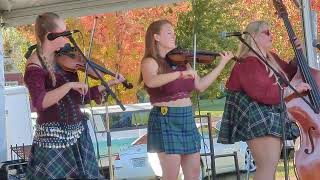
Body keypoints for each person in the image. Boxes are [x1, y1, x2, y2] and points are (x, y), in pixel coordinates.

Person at [24, 12, 125, 179]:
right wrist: (69, 85)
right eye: (64, 33)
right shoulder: (35, 65)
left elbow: (78, 98)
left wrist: (107, 84)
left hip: (78, 134)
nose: (69, 37)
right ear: (50, 36)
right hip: (52, 138)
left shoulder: (63, 60)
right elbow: (40, 101)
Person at [140, 19, 233, 180]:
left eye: (173, 33)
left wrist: (221, 65)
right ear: (156, 37)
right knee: (171, 174)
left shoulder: (183, 62)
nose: (174, 36)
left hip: (186, 117)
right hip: (165, 117)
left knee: (194, 173)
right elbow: (151, 81)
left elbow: (201, 85)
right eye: (169, 32)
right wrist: (180, 74)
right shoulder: (150, 61)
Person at [217, 20, 311, 180]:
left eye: (270, 31)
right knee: (267, 166)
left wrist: (298, 53)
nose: (271, 35)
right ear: (253, 37)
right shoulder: (247, 62)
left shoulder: (270, 57)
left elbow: (291, 72)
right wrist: (291, 89)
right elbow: (263, 92)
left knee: (270, 168)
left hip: (270, 115)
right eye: (266, 32)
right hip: (257, 118)